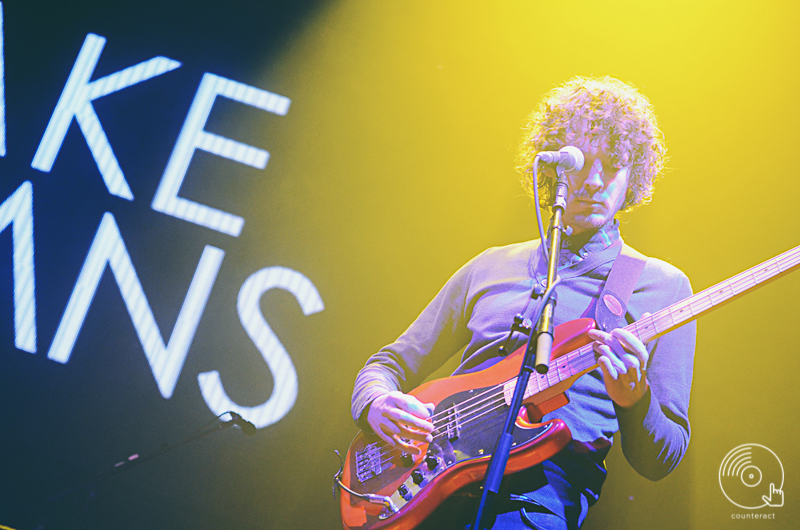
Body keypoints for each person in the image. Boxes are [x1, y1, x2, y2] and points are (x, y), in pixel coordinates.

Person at [350, 76, 696, 529]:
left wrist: (635, 399)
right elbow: (388, 363)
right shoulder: (490, 265)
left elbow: (663, 456)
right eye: (579, 162)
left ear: (634, 177)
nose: (593, 181)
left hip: (535, 509)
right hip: (425, 495)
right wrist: (375, 402)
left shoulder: (660, 286)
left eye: (612, 165)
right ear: (553, 168)